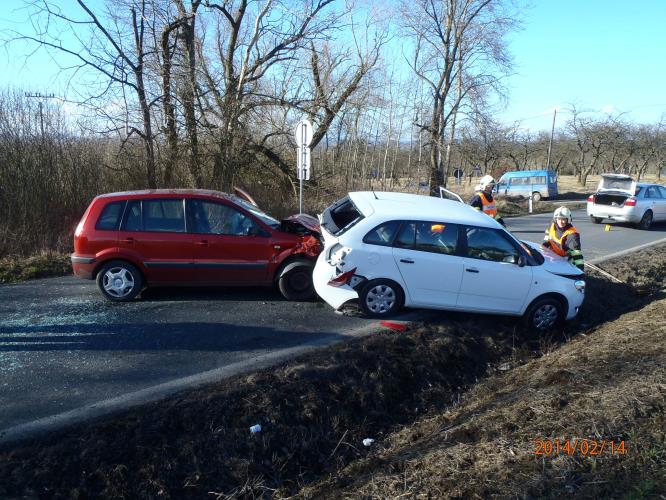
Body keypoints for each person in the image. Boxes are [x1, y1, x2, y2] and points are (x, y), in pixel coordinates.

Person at [542, 206, 585, 270]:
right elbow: (547, 236)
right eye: (559, 219)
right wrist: (544, 246)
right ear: (555, 219)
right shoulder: (552, 224)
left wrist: (580, 270)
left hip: (565, 258)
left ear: (568, 220)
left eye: (563, 219)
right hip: (552, 254)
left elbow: (577, 255)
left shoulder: (572, 234)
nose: (561, 222)